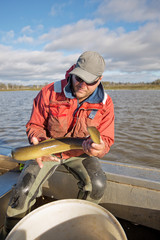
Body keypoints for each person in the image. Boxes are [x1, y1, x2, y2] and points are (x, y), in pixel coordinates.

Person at [1, 51, 114, 238]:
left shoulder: (105, 103)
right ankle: (9, 234)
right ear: (73, 71)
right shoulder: (49, 91)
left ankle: (80, 227)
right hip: (46, 150)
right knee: (23, 190)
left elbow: (107, 140)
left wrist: (100, 148)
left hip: (79, 152)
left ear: (100, 79)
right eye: (78, 77)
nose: (81, 84)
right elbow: (34, 125)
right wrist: (36, 139)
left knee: (97, 185)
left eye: (89, 81)